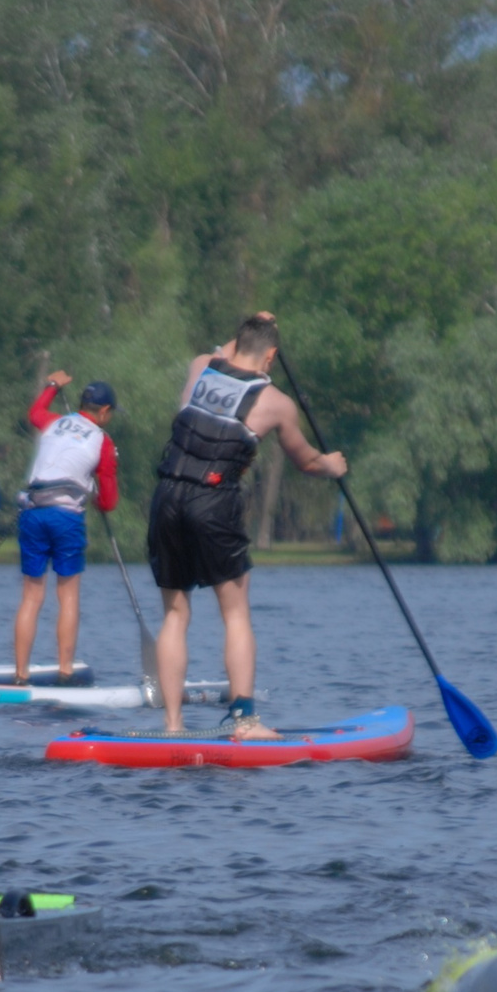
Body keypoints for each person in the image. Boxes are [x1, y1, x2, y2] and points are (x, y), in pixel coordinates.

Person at [147, 313, 346, 738]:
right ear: (272, 356)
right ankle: (244, 722)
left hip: (166, 496)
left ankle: (172, 726)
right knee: (235, 613)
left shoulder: (201, 365)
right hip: (213, 503)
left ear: (236, 342)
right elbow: (306, 461)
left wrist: (254, 324)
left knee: (174, 614)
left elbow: (228, 349)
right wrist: (331, 465)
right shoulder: (276, 403)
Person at [12, 371, 120, 685]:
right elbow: (109, 501)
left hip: (32, 512)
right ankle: (65, 672)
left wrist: (52, 387)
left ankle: (21, 675)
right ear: (103, 412)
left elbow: (34, 413)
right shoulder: (103, 440)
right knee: (68, 596)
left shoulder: (54, 422)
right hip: (66, 518)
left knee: (32, 597)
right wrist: (98, 499)